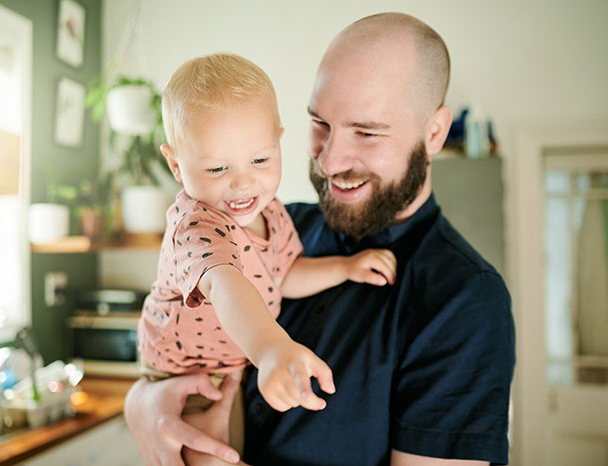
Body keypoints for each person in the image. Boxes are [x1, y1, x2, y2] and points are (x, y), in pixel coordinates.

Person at [125, 12, 515, 466]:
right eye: (320, 124)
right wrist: (144, 409)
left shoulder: (467, 300)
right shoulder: (276, 222)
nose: (329, 162)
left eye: (366, 133)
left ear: (434, 132)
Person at [139, 52, 398, 446]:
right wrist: (270, 346)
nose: (244, 184)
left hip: (226, 368)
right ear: (176, 165)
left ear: (278, 139)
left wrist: (345, 267)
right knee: (213, 454)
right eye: (217, 169)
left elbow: (284, 276)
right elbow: (225, 285)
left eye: (260, 159)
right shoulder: (196, 224)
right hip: (185, 373)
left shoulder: (272, 212)